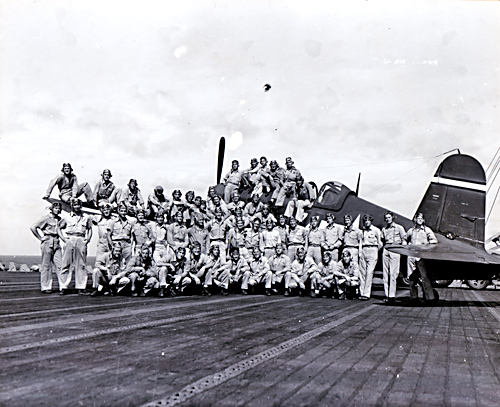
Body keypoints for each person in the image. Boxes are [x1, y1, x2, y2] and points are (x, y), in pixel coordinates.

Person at [30, 202, 67, 293]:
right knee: (46, 266)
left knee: (60, 265)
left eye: (59, 208)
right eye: (55, 208)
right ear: (52, 209)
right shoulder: (46, 218)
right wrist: (41, 238)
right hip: (47, 241)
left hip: (56, 241)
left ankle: (63, 286)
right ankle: (46, 287)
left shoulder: (59, 219)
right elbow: (33, 227)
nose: (57, 210)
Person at [59, 199, 93, 295]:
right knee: (66, 263)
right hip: (70, 238)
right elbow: (59, 228)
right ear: (72, 206)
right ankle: (64, 286)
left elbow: (89, 229)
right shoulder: (66, 217)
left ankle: (81, 287)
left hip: (81, 238)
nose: (77, 207)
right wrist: (64, 239)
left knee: (81, 264)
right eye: (75, 205)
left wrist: (88, 240)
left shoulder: (86, 217)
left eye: (78, 205)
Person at [405, 212, 438, 305]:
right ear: (414, 219)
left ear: (423, 220)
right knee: (411, 278)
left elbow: (434, 240)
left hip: (422, 256)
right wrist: (407, 246)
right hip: (411, 256)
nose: (419, 220)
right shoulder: (411, 231)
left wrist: (426, 246)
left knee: (425, 277)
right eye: (417, 218)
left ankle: (430, 298)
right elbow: (405, 239)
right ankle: (413, 298)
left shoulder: (427, 230)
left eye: (421, 218)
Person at [381, 211, 406, 304]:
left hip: (395, 249)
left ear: (392, 218)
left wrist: (402, 250)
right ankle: (387, 295)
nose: (387, 219)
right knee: (385, 274)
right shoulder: (384, 229)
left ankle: (392, 296)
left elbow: (404, 239)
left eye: (389, 217)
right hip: (386, 248)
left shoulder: (399, 228)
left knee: (393, 273)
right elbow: (382, 239)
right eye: (386, 218)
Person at [359, 214, 382, 301]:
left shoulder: (376, 230)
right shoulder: (363, 231)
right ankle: (361, 293)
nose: (366, 222)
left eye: (368, 220)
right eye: (365, 221)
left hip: (372, 249)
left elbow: (380, 243)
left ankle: (366, 294)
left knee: (369, 272)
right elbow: (361, 241)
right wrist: (360, 252)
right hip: (364, 249)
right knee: (362, 272)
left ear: (371, 221)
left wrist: (375, 250)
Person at [92, 202, 115, 271]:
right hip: (101, 243)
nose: (106, 211)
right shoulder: (98, 218)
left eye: (108, 210)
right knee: (99, 262)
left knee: (111, 261)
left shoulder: (113, 220)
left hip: (110, 243)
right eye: (104, 210)